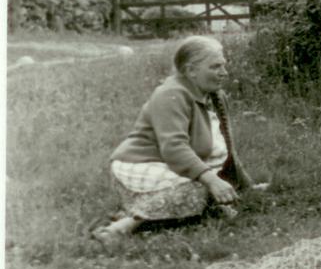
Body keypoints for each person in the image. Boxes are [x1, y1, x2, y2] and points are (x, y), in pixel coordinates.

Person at [91, 35, 259, 244]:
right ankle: (125, 225)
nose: (224, 73)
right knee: (200, 191)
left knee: (209, 195)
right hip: (143, 164)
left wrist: (246, 185)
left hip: (174, 166)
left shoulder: (215, 95)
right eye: (215, 67)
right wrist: (212, 180)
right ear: (191, 70)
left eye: (223, 66)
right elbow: (174, 148)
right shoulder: (170, 95)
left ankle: (150, 210)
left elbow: (228, 146)